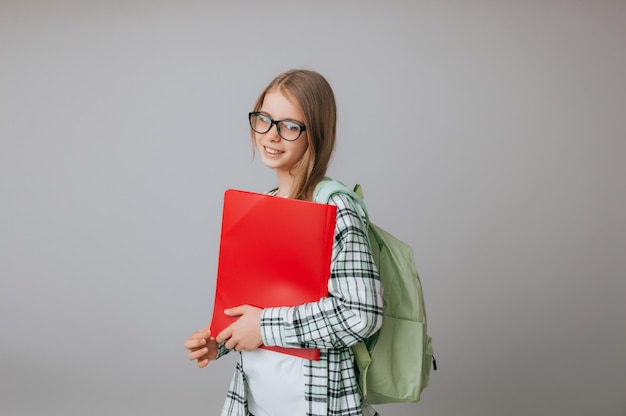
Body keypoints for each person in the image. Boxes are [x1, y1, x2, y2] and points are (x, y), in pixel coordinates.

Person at [183, 69, 383, 416]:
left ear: (315, 134)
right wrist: (223, 340)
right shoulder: (263, 205)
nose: (271, 136)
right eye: (264, 119)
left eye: (290, 126)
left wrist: (262, 326)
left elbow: (361, 314)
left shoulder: (336, 207)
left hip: (316, 399)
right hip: (256, 399)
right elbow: (258, 302)